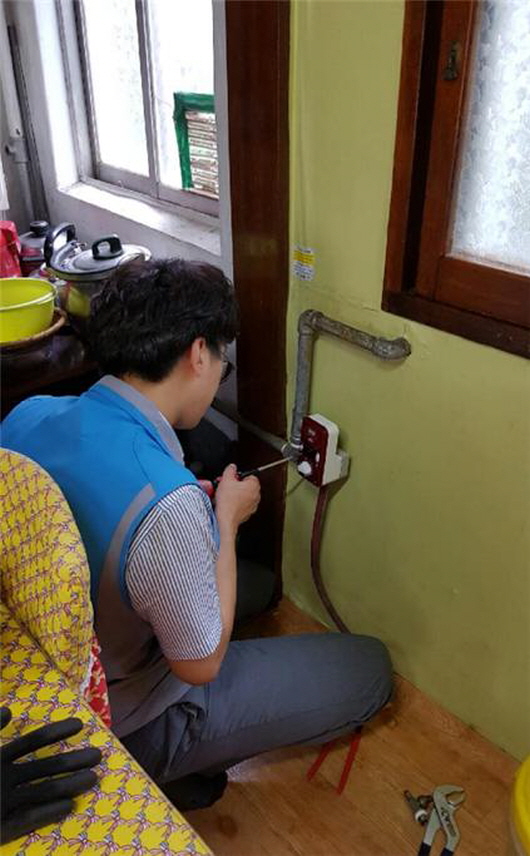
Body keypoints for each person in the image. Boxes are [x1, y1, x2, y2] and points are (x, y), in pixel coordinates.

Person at [1, 258, 393, 809]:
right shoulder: (169, 503)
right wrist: (224, 523)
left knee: (258, 586)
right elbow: (200, 665)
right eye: (222, 362)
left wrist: (188, 518)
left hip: (56, 656)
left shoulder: (28, 414)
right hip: (122, 715)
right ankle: (159, 765)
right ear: (198, 353)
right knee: (370, 669)